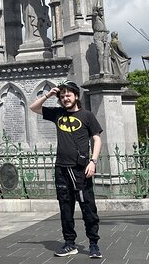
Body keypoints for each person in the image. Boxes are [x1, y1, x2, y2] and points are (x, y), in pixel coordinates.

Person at [29, 80, 103, 259]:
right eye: (62, 96)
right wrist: (48, 95)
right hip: (61, 169)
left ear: (76, 96)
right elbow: (33, 107)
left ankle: (93, 244)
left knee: (88, 208)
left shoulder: (87, 116)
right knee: (65, 208)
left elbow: (97, 139)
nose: (65, 98)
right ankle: (70, 243)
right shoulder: (58, 114)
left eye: (69, 95)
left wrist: (93, 161)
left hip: (81, 170)